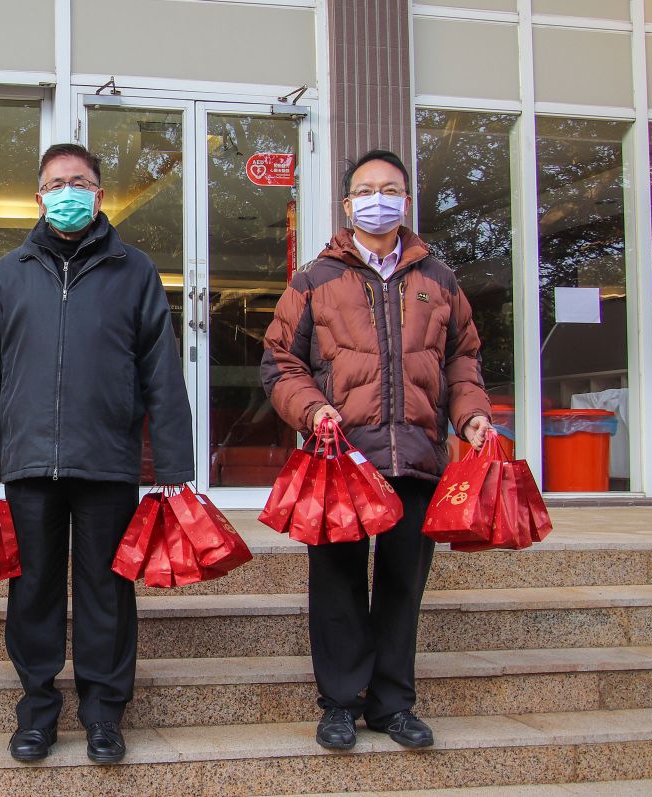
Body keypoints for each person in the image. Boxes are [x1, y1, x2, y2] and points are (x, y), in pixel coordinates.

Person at [0, 143, 194, 764]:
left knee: (105, 592)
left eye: (79, 181)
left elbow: (162, 375)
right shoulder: (9, 273)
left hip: (107, 460)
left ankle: (103, 713)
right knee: (30, 590)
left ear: (99, 194)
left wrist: (173, 471)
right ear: (39, 197)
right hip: (29, 462)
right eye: (56, 183)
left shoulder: (134, 270)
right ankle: (36, 710)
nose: (68, 192)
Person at [261, 149, 493, 751]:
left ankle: (393, 705)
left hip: (416, 458)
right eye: (366, 190)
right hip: (342, 459)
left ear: (406, 201)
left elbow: (462, 359)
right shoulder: (314, 278)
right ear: (347, 204)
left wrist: (471, 418)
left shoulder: (439, 280)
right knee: (336, 583)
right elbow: (280, 361)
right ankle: (339, 703)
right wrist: (314, 409)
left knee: (402, 585)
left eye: (390, 188)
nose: (378, 198)